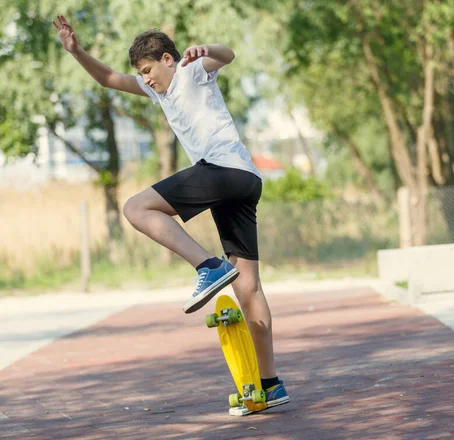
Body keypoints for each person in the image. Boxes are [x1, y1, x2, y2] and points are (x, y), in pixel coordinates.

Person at [52, 15, 289, 416]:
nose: (147, 80)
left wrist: (205, 49)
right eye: (141, 76)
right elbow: (108, 79)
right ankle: (270, 384)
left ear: (166, 58)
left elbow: (228, 55)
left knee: (136, 207)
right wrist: (77, 52)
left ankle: (208, 266)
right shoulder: (158, 90)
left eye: (148, 71)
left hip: (222, 169)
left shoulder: (189, 70)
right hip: (245, 180)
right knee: (248, 286)